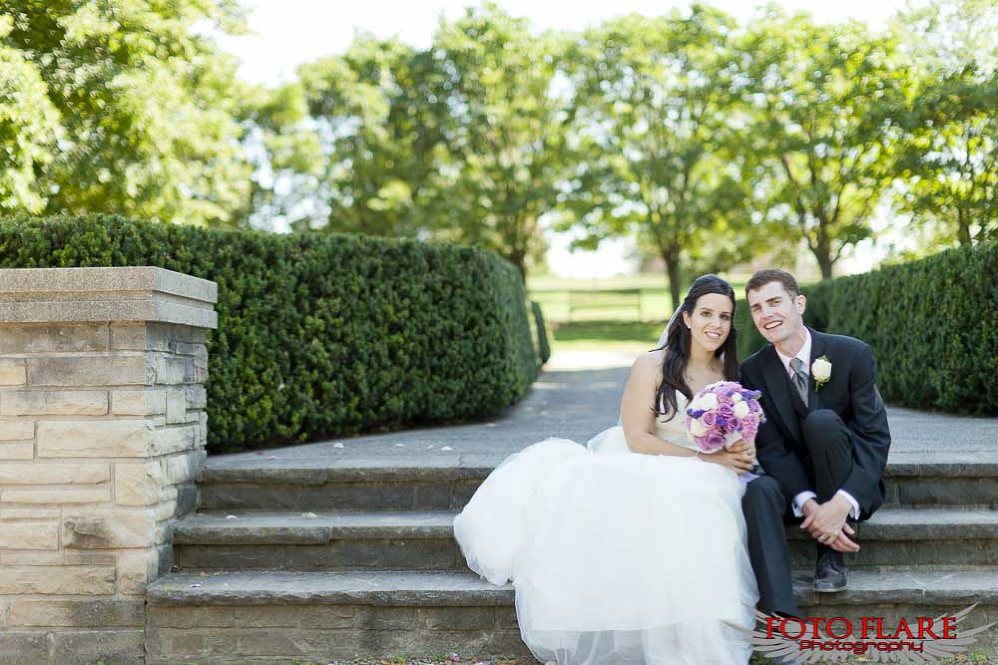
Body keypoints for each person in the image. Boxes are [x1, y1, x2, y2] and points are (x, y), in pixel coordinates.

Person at [453, 275, 759, 665]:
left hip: (705, 466)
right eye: (706, 313)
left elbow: (735, 432)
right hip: (648, 460)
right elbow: (637, 439)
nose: (715, 324)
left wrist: (736, 448)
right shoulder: (652, 364)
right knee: (687, 491)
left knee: (715, 489)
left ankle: (705, 618)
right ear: (686, 317)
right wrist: (704, 460)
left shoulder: (728, 376)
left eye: (725, 316)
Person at [739, 269, 891, 624]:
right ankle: (781, 617)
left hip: (846, 476)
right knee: (759, 489)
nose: (766, 314)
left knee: (821, 422)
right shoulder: (752, 371)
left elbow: (874, 437)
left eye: (775, 302)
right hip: (796, 484)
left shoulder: (851, 354)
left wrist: (841, 503)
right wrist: (809, 504)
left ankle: (830, 554)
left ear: (799, 304)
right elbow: (772, 449)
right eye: (757, 308)